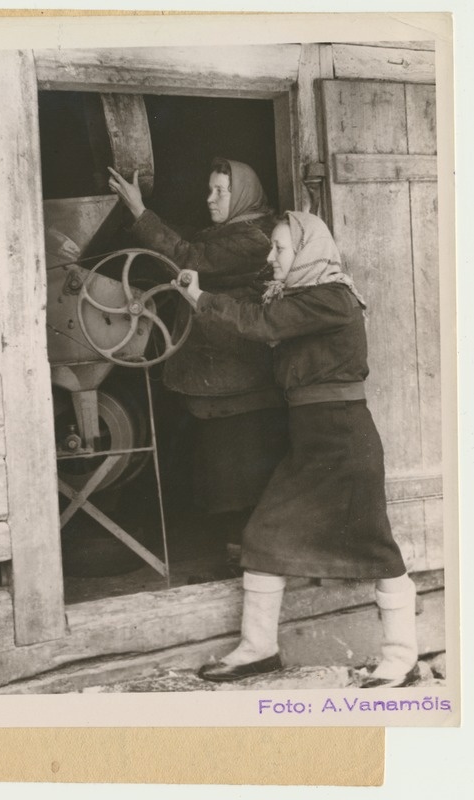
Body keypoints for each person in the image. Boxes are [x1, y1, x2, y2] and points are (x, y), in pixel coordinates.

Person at [174, 211, 419, 688]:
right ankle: (259, 649)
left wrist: (202, 297)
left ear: (308, 250)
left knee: (376, 547)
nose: (272, 257)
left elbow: (262, 324)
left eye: (281, 249)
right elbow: (259, 316)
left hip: (344, 440)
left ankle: (401, 656)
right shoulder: (297, 299)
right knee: (263, 536)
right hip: (311, 440)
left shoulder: (333, 298)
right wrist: (203, 297)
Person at [108, 159, 289, 569]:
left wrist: (140, 212)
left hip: (238, 381)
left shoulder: (254, 239)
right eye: (210, 189)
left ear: (241, 194)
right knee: (225, 476)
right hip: (220, 380)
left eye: (220, 191)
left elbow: (190, 255)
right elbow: (191, 240)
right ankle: (240, 561)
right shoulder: (232, 231)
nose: (210, 199)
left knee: (239, 479)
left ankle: (251, 566)